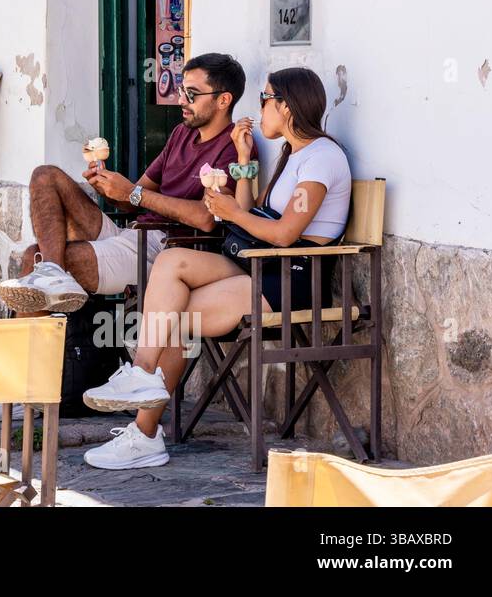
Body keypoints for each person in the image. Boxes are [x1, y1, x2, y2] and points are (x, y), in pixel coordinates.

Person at [81, 66, 352, 470]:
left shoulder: (323, 158)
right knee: (172, 262)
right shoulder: (291, 154)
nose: (259, 109)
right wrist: (243, 161)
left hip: (293, 276)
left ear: (287, 106)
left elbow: (283, 233)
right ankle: (141, 376)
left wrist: (230, 214)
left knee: (171, 319)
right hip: (260, 264)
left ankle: (145, 435)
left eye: (265, 99)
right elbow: (248, 211)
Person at [0, 53, 253, 314]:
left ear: (223, 100)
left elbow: (206, 218)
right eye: (180, 91)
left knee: (34, 258)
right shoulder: (181, 134)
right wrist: (108, 186)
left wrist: (133, 193)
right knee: (45, 175)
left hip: (168, 250)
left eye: (192, 94)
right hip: (131, 234)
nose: (181, 100)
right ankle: (53, 274)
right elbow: (131, 202)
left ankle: (50, 283)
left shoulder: (233, 148)